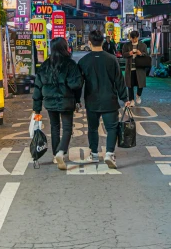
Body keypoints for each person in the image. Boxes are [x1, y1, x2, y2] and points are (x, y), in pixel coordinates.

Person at [78, 29, 131, 169]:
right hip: (110, 99)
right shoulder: (112, 59)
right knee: (112, 128)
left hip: (91, 100)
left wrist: (77, 100)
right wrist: (124, 98)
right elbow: (119, 80)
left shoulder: (83, 61)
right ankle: (109, 153)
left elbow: (79, 84)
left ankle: (94, 154)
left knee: (92, 128)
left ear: (89, 42)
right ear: (103, 41)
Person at [32, 37, 83, 170]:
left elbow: (37, 87)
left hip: (49, 103)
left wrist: (36, 109)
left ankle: (55, 155)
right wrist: (77, 100)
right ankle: (61, 152)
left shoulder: (45, 65)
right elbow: (76, 84)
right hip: (66, 101)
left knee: (54, 127)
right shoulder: (70, 64)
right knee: (67, 128)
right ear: (64, 48)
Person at [122, 30, 149, 105]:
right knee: (130, 85)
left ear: (138, 37)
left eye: (135, 38)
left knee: (140, 83)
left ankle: (138, 95)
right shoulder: (126, 45)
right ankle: (131, 100)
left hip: (139, 68)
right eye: (132, 38)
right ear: (130, 38)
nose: (134, 40)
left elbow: (146, 55)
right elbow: (123, 54)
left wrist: (141, 53)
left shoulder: (143, 45)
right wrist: (129, 53)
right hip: (130, 68)